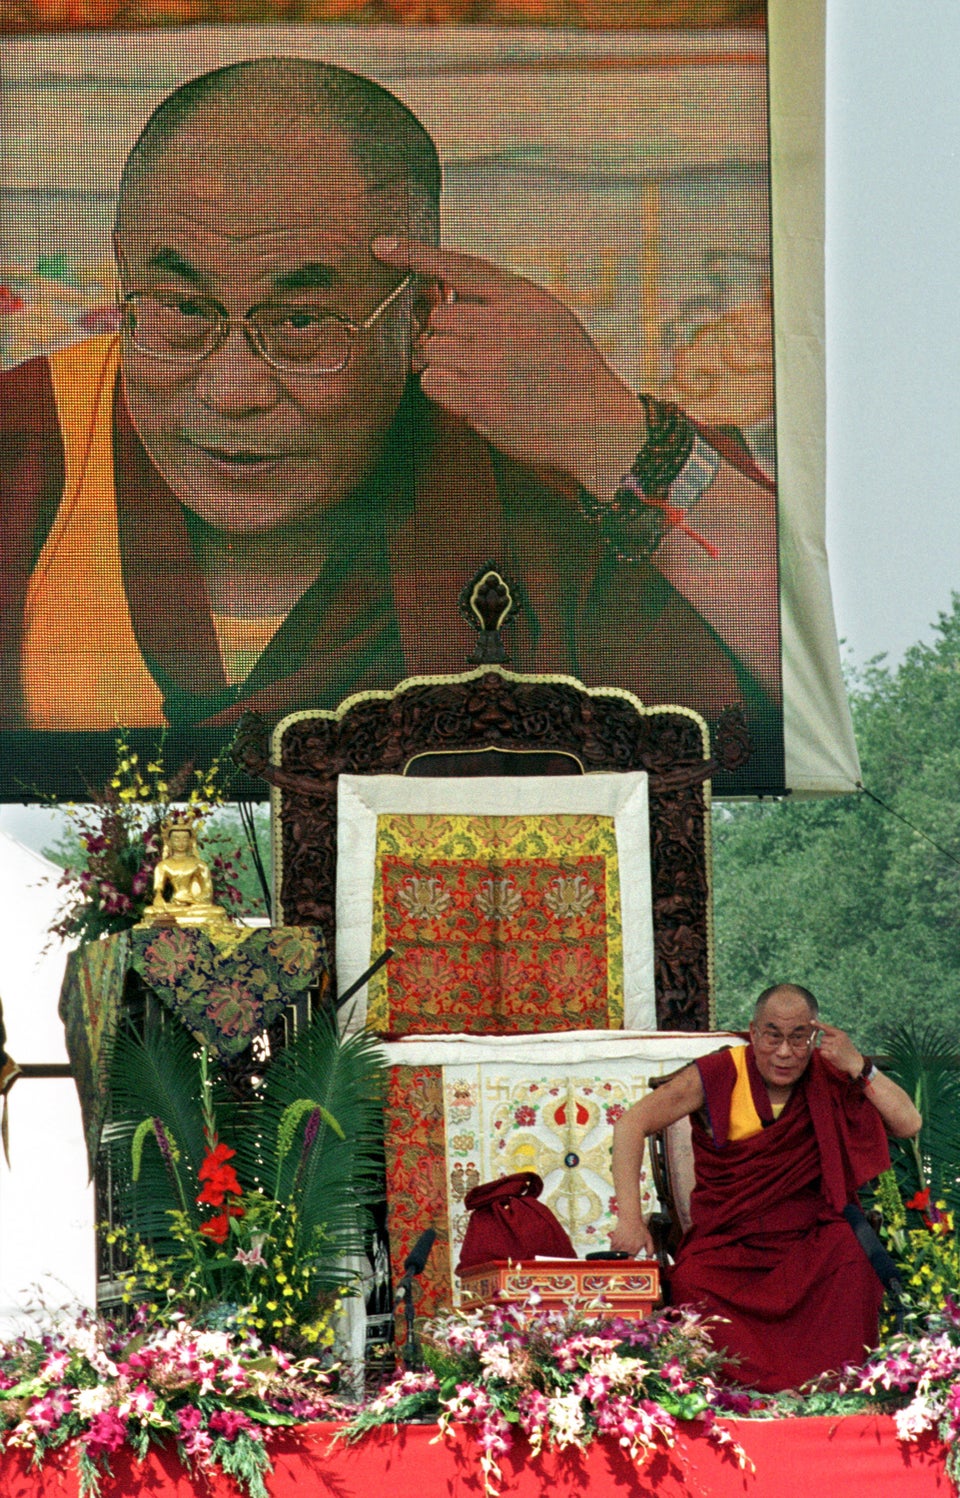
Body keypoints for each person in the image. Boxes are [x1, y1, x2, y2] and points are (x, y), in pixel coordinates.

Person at [0, 56, 779, 761]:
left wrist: (614, 437)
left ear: (417, 312)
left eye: (301, 324)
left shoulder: (541, 453)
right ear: (124, 275)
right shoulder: (30, 433)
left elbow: (811, 686)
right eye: (180, 309)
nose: (231, 391)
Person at [610, 983, 922, 1391]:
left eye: (798, 1038)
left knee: (850, 1255)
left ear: (815, 1037)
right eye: (773, 1036)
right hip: (730, 1246)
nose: (785, 1052)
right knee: (691, 1281)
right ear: (753, 1033)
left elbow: (909, 1123)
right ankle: (737, 1395)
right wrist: (630, 1221)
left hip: (806, 1239)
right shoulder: (721, 1075)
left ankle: (833, 1388)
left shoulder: (828, 1075)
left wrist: (859, 1065)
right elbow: (631, 1124)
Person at [139, 821, 229, 928]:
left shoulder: (200, 865)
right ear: (169, 842)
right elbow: (158, 892)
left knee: (218, 911)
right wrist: (159, 898)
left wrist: (192, 900)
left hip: (195, 906)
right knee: (150, 911)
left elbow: (208, 891)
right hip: (174, 906)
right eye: (176, 839)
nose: (181, 843)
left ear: (191, 841)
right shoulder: (163, 866)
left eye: (185, 839)